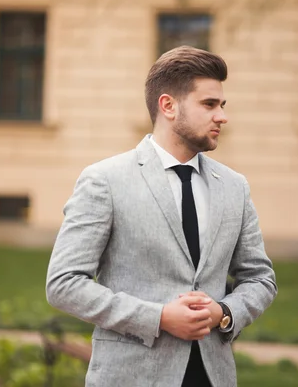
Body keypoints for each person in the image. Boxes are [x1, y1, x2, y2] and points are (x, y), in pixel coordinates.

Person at [46, 45, 277, 387]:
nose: (222, 117)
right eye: (209, 104)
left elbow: (260, 279)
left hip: (213, 376)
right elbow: (63, 284)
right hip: (131, 376)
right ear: (168, 105)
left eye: (222, 105)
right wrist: (158, 317)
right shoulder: (105, 181)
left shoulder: (234, 187)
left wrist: (225, 313)